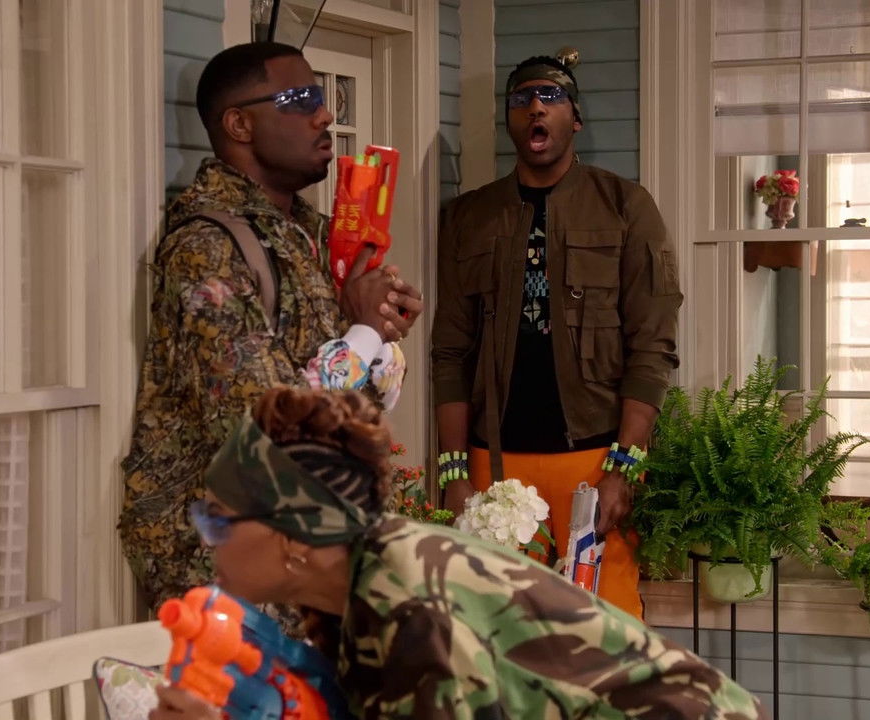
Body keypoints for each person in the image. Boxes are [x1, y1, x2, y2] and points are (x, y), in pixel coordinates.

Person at [147, 386, 765, 720]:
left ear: (292, 537)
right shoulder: (359, 590)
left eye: (218, 520)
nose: (206, 538)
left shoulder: (408, 610)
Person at [120, 41, 424, 610]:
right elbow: (270, 433)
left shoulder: (315, 234)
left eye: (322, 97)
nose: (324, 114)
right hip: (238, 585)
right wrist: (362, 332)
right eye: (301, 99)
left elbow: (371, 398)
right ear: (239, 124)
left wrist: (380, 329)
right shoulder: (206, 249)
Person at [430, 54, 682, 618]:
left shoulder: (625, 206)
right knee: (501, 629)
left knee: (605, 628)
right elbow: (450, 351)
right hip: (494, 463)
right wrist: (453, 473)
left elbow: (653, 345)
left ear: (576, 118)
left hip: (593, 461)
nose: (535, 108)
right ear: (510, 121)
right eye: (521, 99)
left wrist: (623, 469)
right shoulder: (469, 217)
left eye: (550, 96)